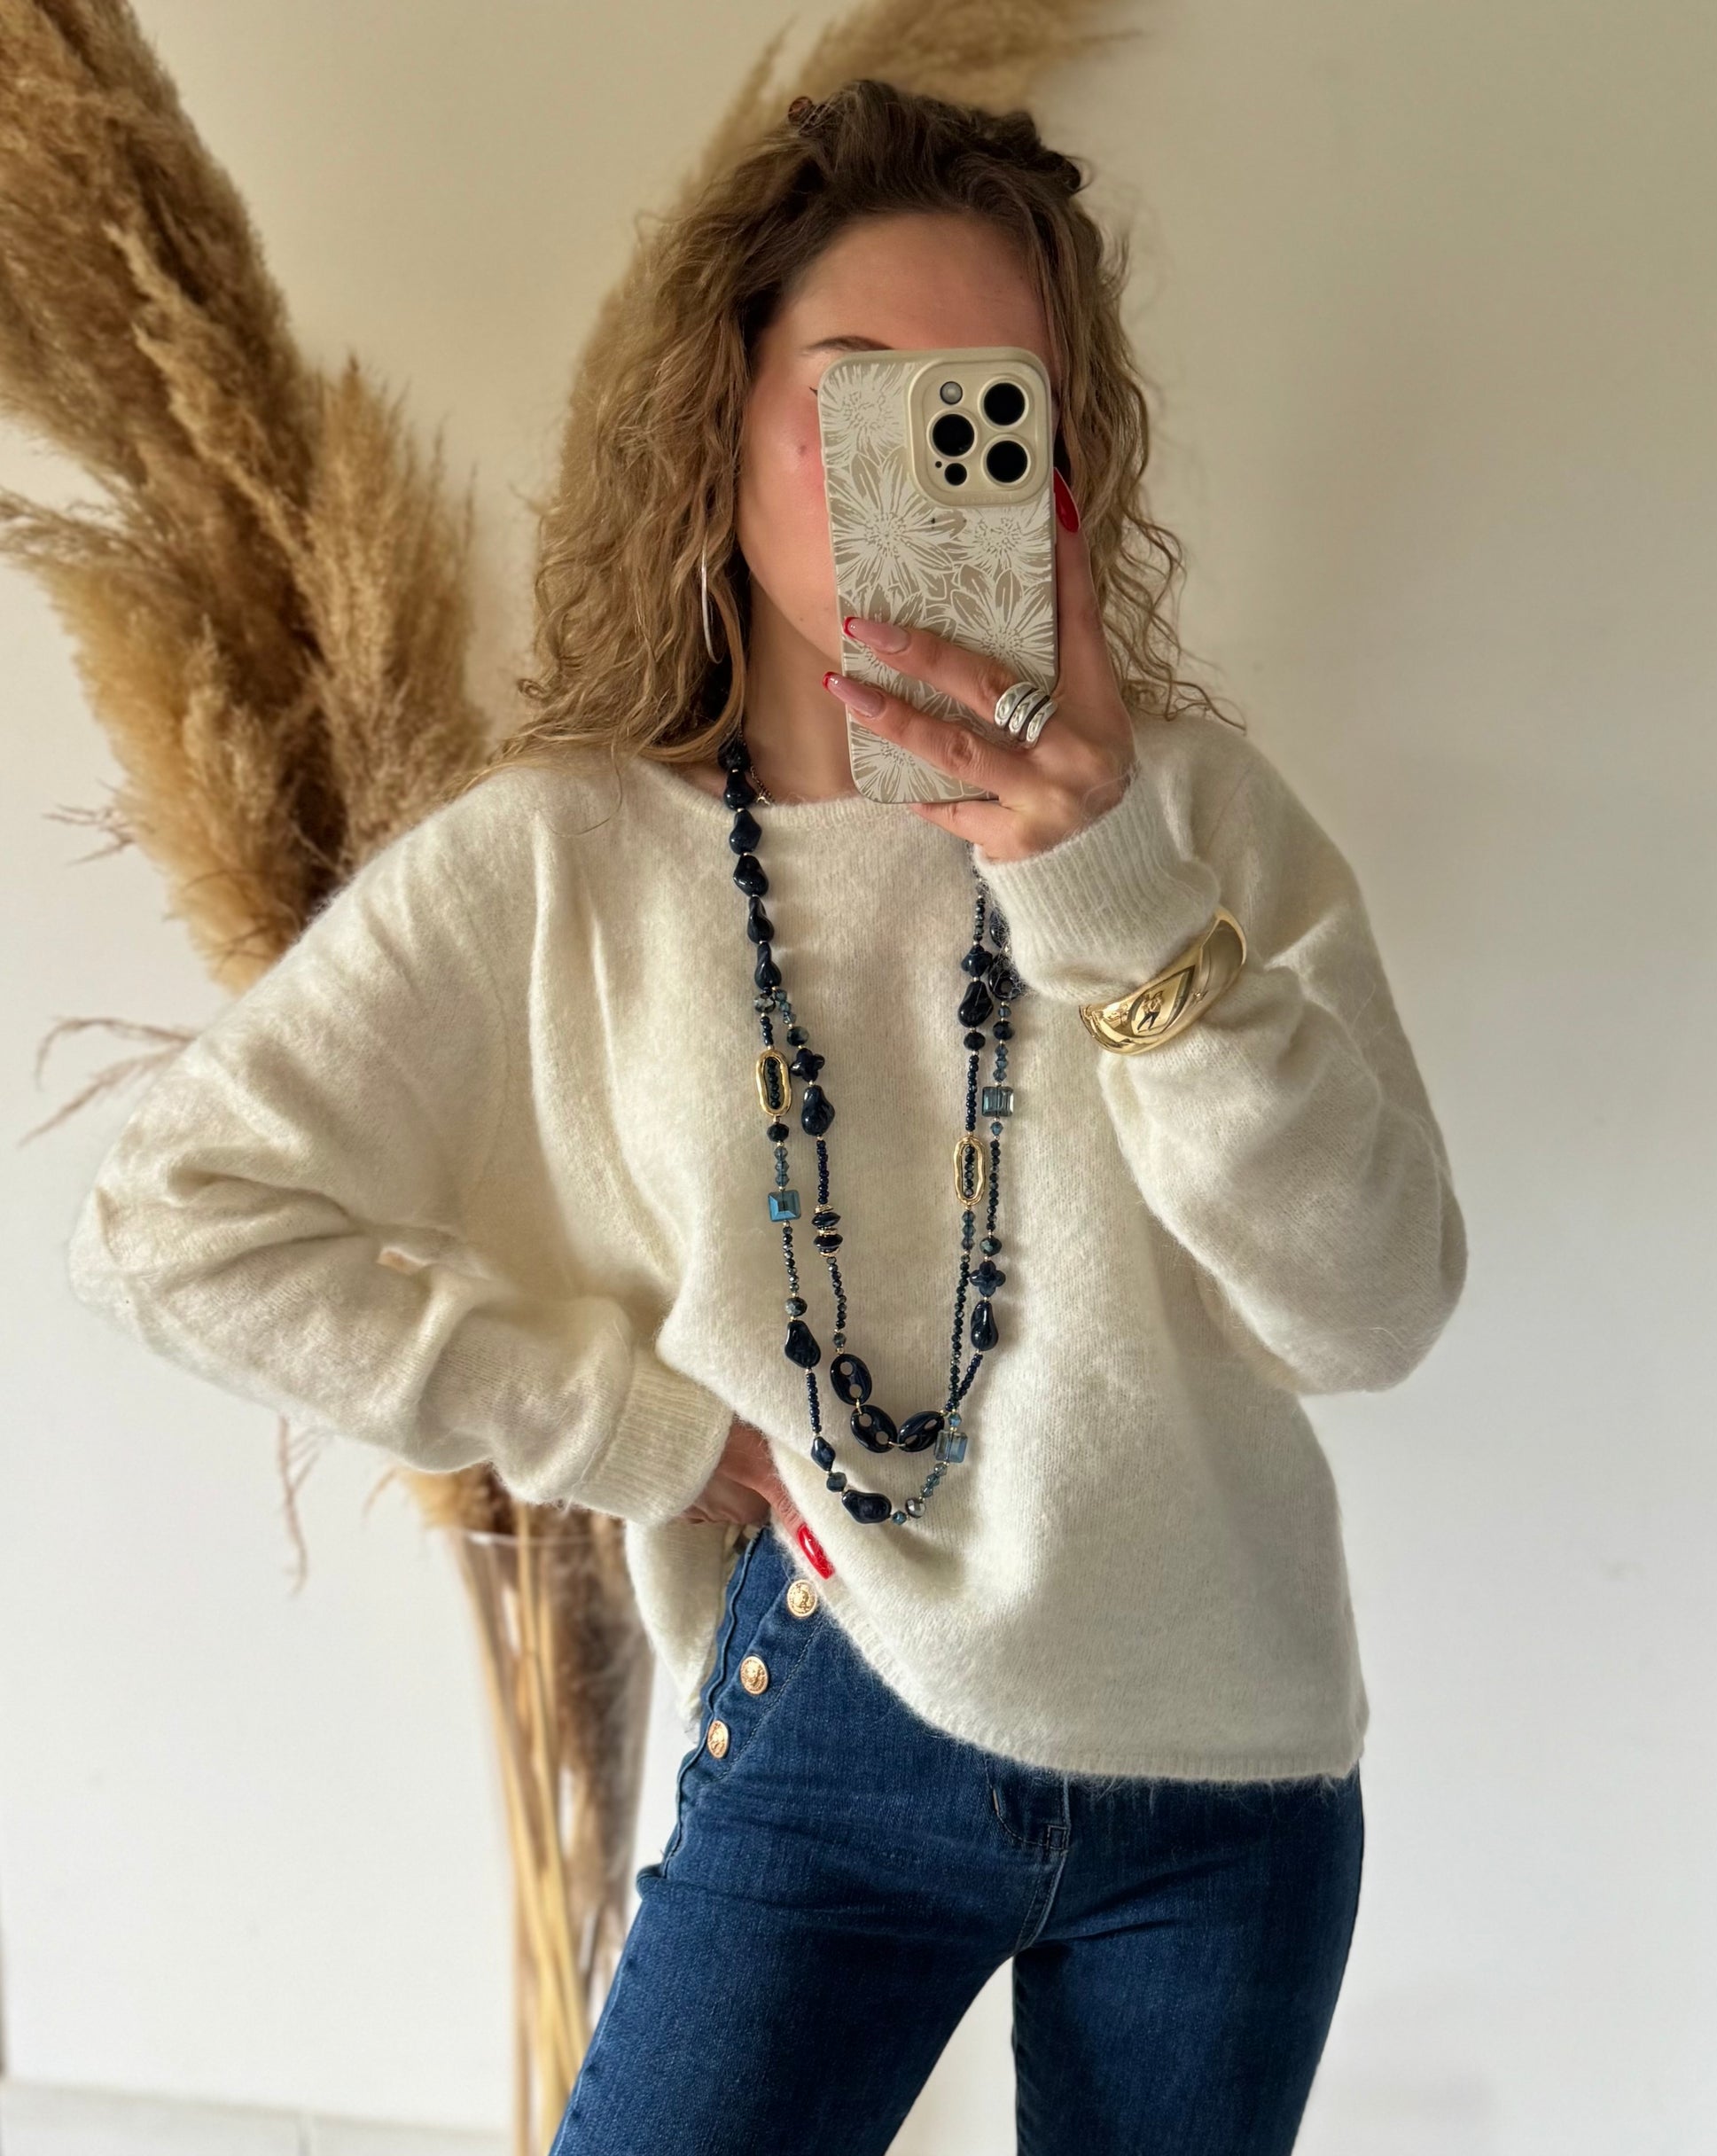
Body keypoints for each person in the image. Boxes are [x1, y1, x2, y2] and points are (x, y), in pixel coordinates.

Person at [66, 78, 1468, 2156]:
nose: (926, 454)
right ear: (713, 425)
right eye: (858, 390)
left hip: (1232, 1758)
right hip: (839, 1710)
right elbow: (175, 1218)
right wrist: (625, 1426)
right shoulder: (565, 861)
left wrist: (1108, 895)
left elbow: (1369, 1310)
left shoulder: (1196, 824)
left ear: (1062, 470)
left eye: (991, 407)